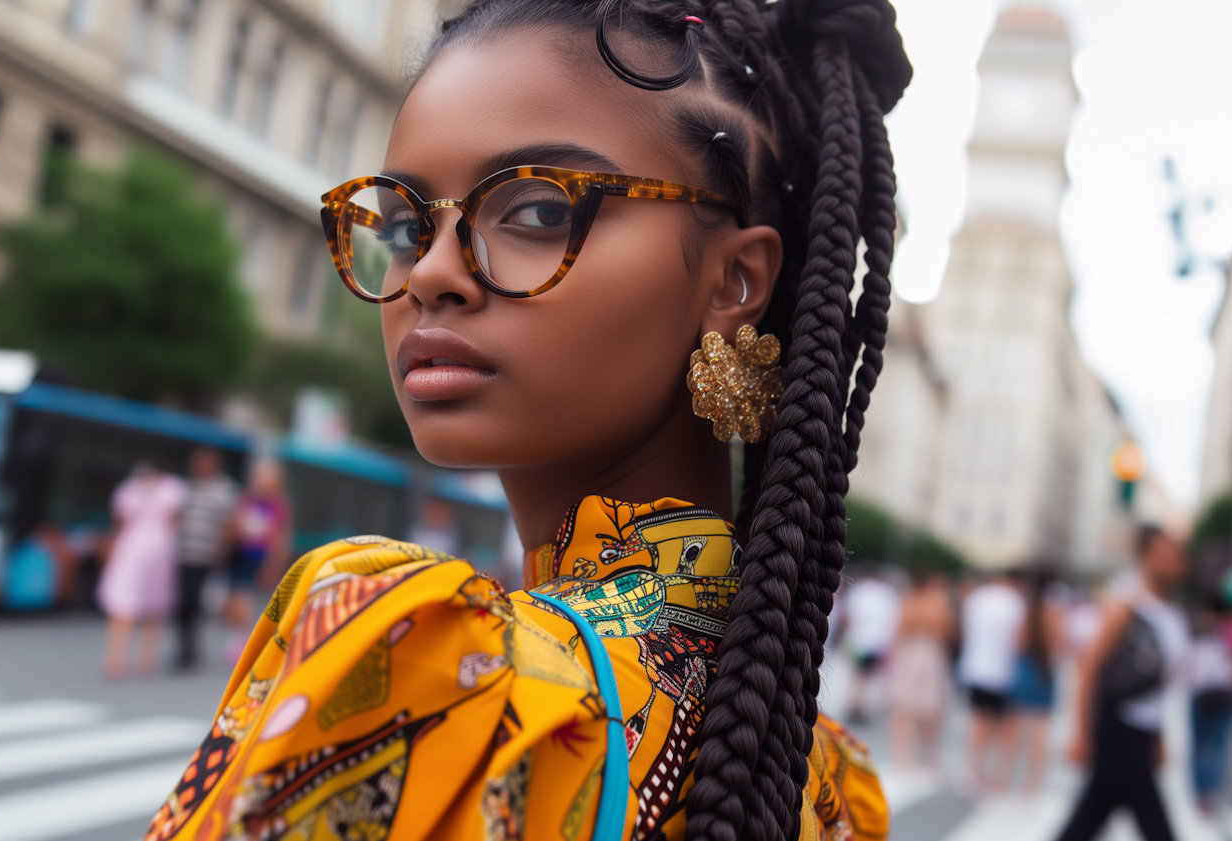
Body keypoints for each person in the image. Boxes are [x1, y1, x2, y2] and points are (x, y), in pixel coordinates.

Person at [144, 1, 912, 838]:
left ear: (734, 281)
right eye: (404, 223)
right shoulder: (832, 780)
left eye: (539, 211)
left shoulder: (412, 660)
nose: (432, 273)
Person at [1055, 526, 1190, 841]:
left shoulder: (1170, 612)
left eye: (1177, 556)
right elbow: (1090, 670)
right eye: (1166, 556)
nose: (1176, 563)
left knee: (1086, 821)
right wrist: (1081, 734)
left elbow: (1156, 685)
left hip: (1141, 734)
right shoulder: (1126, 606)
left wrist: (1158, 736)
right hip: (1119, 732)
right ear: (1146, 558)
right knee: (1156, 830)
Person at [97, 460, 187, 681]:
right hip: (150, 548)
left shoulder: (168, 489)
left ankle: (126, 657)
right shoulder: (143, 490)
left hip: (143, 549)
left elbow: (119, 521)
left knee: (140, 604)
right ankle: (136, 658)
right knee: (137, 604)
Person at [958, 569, 1026, 794]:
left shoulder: (978, 597)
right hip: (1005, 671)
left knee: (979, 722)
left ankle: (972, 771)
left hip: (977, 668)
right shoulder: (1016, 601)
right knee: (1007, 728)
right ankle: (1000, 779)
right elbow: (1019, 641)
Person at [173, 447, 240, 671]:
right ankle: (185, 647)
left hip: (206, 556)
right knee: (182, 604)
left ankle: (192, 650)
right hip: (184, 554)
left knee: (196, 601)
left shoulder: (224, 489)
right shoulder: (187, 487)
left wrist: (222, 554)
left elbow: (229, 525)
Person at [888, 571, 956, 772]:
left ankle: (904, 757)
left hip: (912, 651)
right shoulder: (939, 603)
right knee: (929, 709)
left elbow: (899, 629)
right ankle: (926, 755)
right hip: (929, 653)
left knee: (905, 707)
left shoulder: (909, 600)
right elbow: (946, 632)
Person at [223, 459, 291, 659]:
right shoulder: (247, 499)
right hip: (239, 553)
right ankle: (238, 636)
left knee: (243, 596)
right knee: (233, 597)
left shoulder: (277, 504)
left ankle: (244, 640)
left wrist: (274, 564)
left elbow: (280, 537)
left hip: (258, 556)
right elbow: (234, 523)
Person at [1012, 569, 1062, 798]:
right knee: (1040, 732)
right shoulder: (1056, 612)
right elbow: (1061, 644)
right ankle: (1032, 787)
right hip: (1045, 671)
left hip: (1026, 669)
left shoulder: (1029, 610)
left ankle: (1005, 779)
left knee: (1014, 729)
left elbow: (1018, 644)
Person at [1186, 605, 1232, 814]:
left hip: (1208, 696)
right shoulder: (1224, 643)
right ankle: (1207, 793)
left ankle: (1204, 793)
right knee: (1216, 746)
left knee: (1203, 746)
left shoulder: (1220, 642)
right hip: (1220, 696)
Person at [845, 572, 902, 724]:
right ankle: (861, 706)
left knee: (858, 674)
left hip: (859, 639)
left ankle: (856, 705)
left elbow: (849, 615)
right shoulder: (887, 593)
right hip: (877, 641)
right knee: (868, 676)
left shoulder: (859, 590)